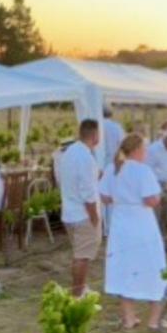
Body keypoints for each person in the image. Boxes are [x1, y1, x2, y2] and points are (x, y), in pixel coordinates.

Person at [99, 133, 167, 330]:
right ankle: (154, 319)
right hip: (141, 223)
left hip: (121, 224)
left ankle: (129, 317)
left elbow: (104, 197)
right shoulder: (142, 171)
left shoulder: (112, 169)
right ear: (138, 150)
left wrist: (122, 200)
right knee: (153, 265)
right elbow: (151, 200)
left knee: (124, 267)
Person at [57, 120, 102, 297]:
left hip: (69, 212)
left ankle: (81, 287)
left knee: (79, 254)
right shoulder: (85, 157)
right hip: (82, 215)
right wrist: (95, 217)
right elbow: (88, 193)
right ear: (94, 136)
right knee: (82, 257)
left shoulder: (69, 153)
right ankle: (77, 293)